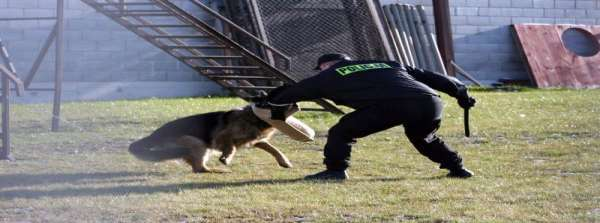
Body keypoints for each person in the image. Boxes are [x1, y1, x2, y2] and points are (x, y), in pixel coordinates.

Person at [266, 53, 476, 180]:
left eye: (321, 68)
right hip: (429, 101)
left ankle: (335, 171)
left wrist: (273, 105)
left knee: (342, 131)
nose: (320, 71)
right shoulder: (388, 64)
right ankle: (458, 168)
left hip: (392, 104)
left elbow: (297, 90)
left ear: (327, 65)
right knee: (424, 137)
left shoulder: (330, 74)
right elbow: (432, 76)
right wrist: (461, 93)